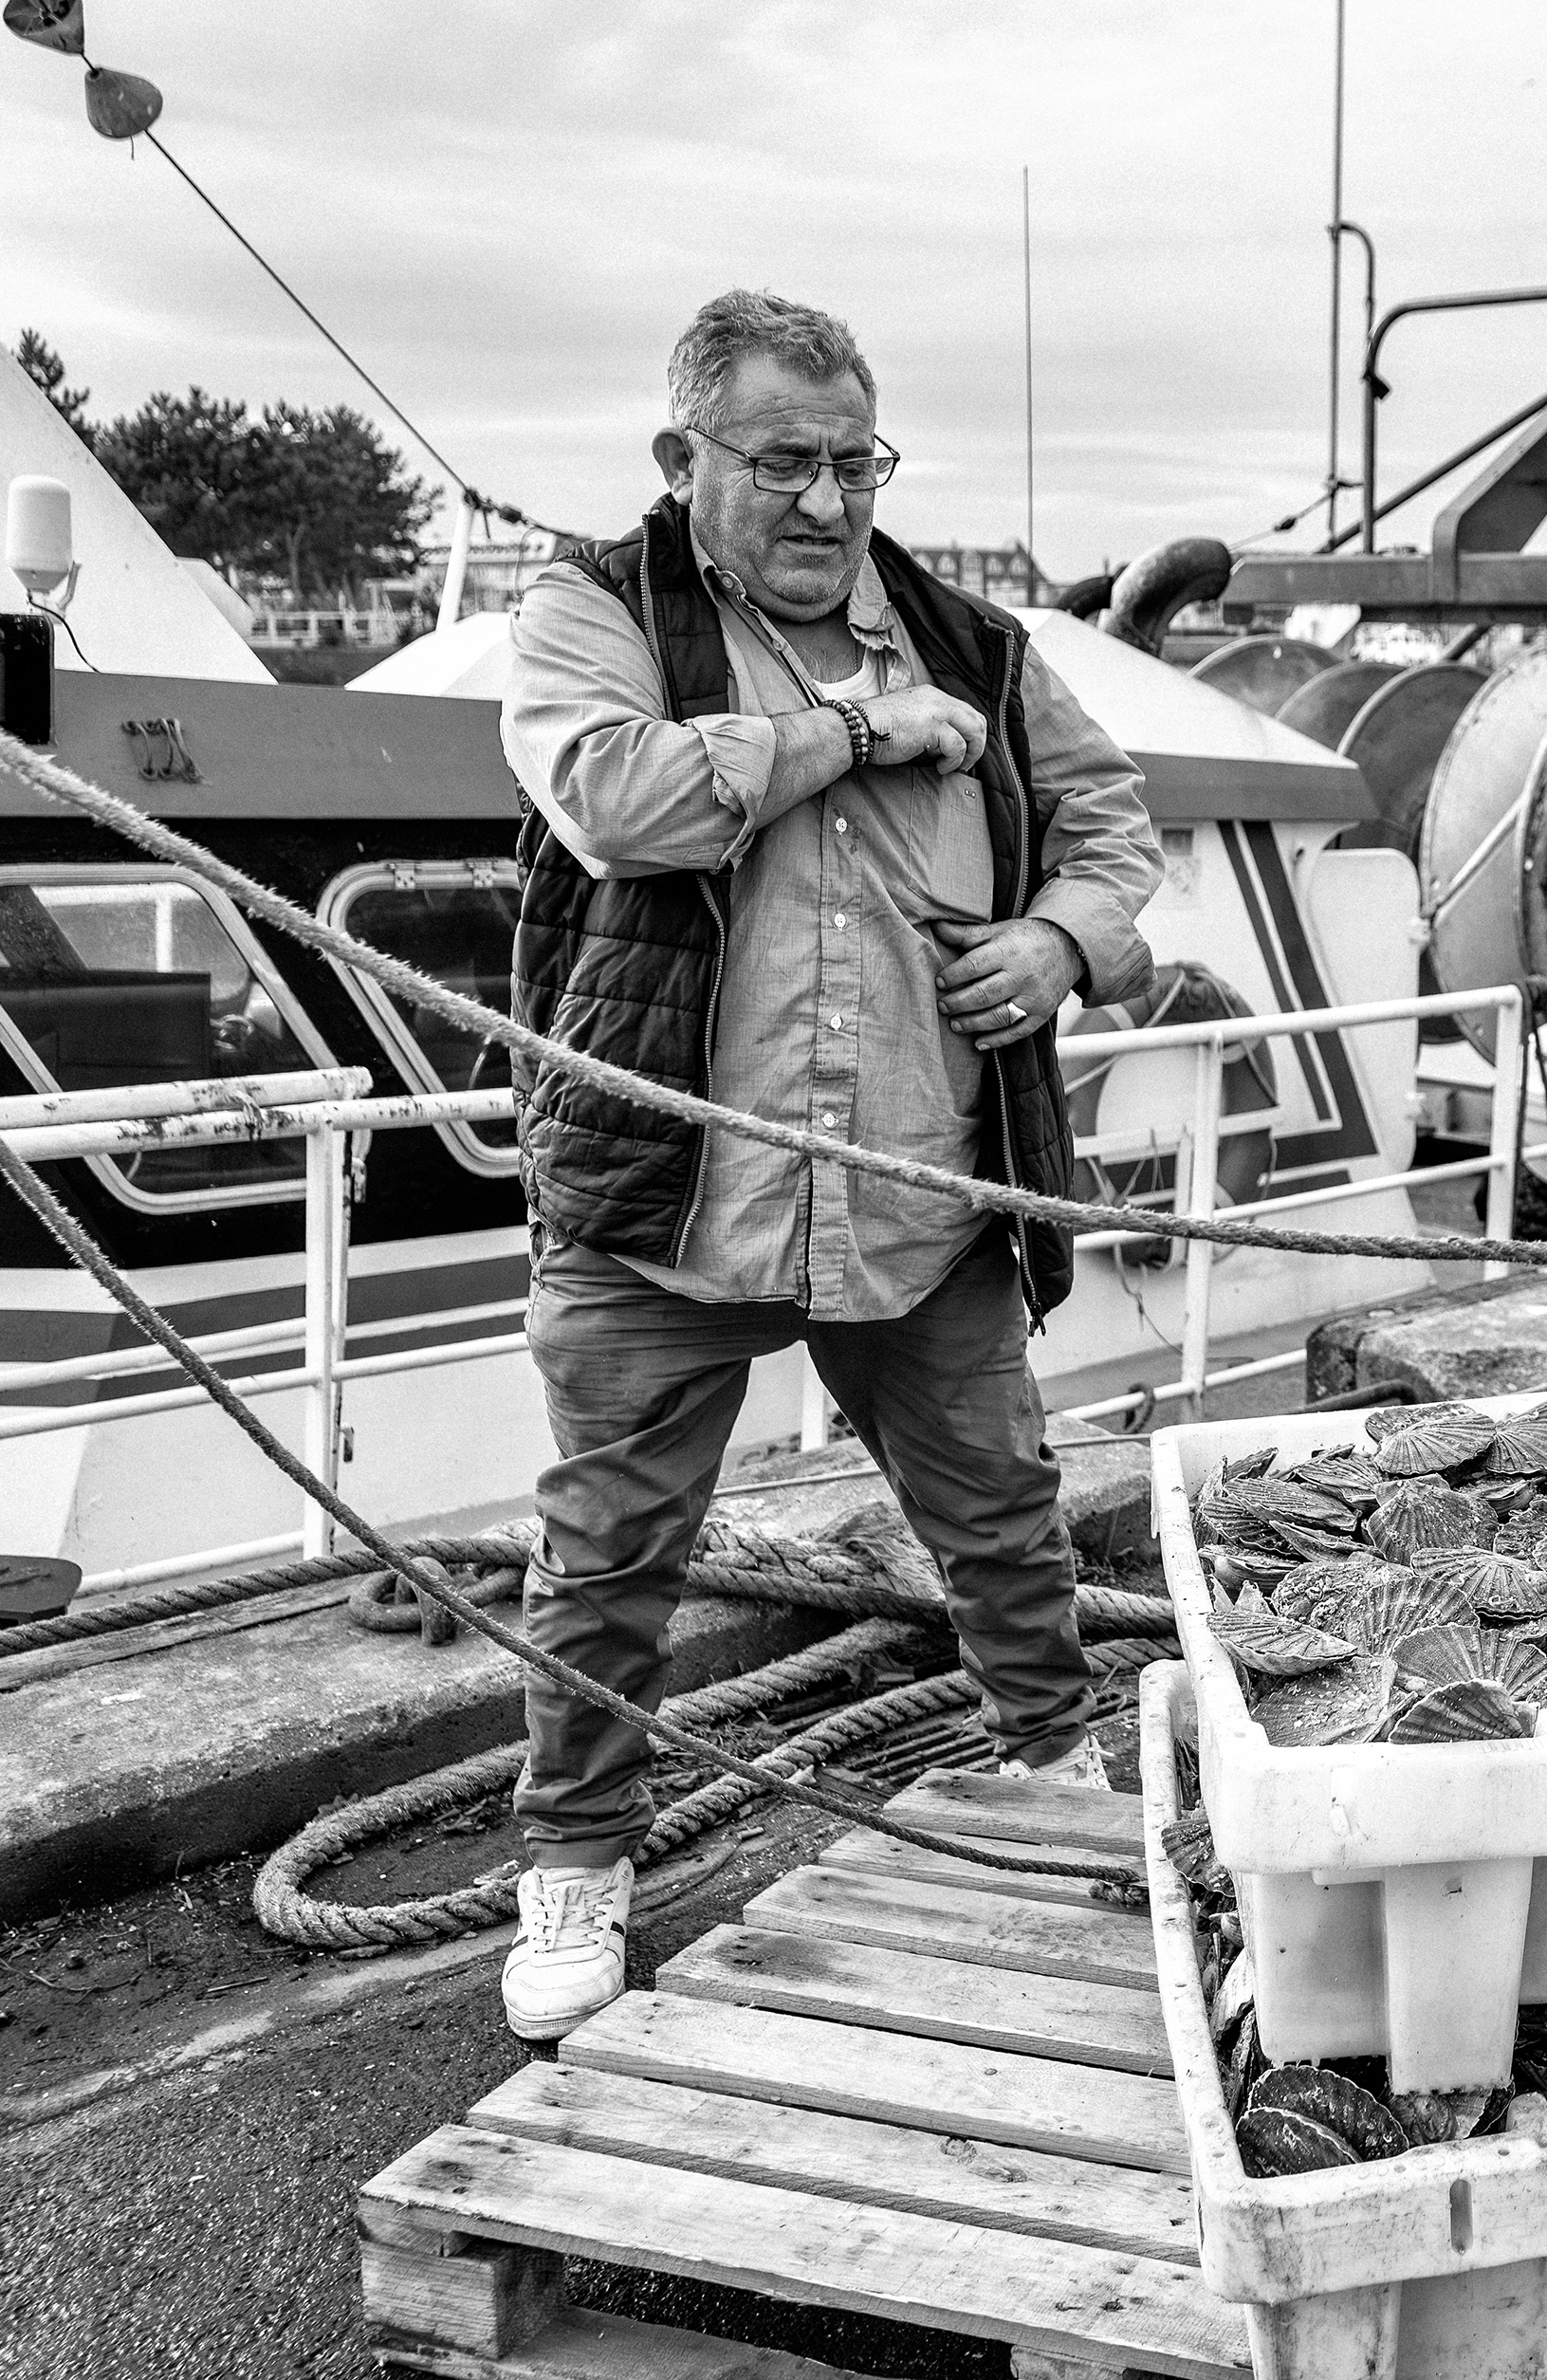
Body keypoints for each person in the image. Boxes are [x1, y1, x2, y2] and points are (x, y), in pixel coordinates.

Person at [490, 289, 1160, 2040]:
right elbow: (622, 800)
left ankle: (1056, 1772)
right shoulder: (591, 614)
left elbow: (1112, 826)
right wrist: (858, 731)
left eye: (856, 462)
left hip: (916, 1187)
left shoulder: (975, 642)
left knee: (1003, 1515)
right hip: (670, 1201)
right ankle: (575, 1859)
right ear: (683, 455)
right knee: (608, 1552)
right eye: (783, 460)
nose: (827, 499)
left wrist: (1061, 943)